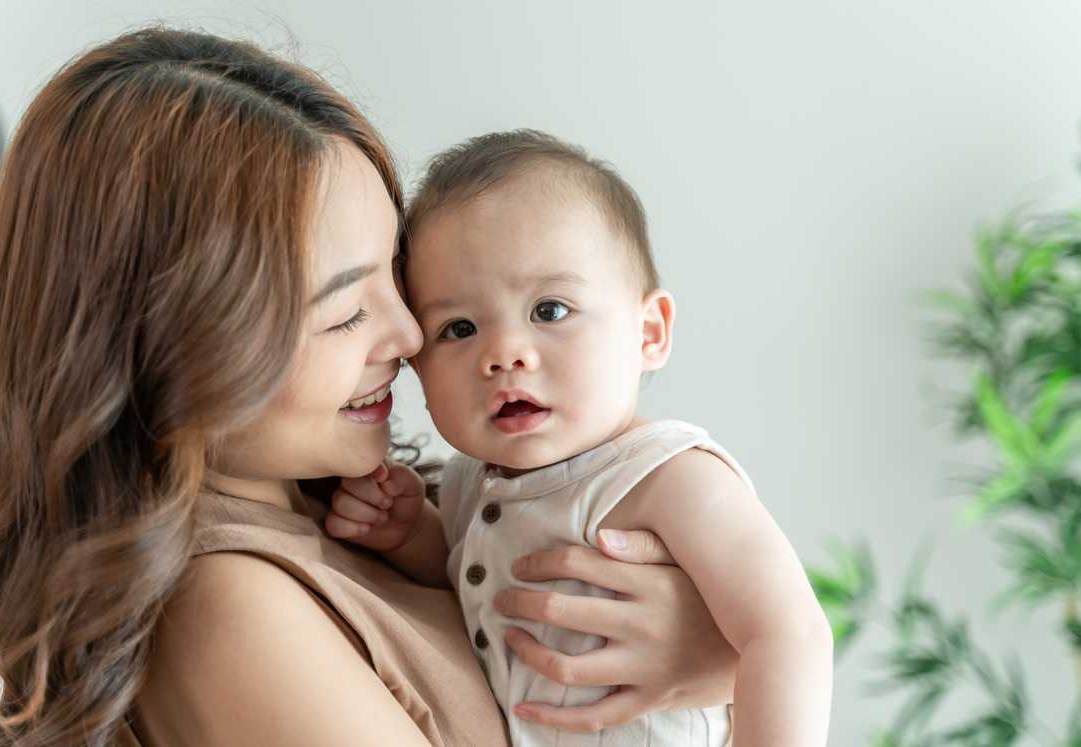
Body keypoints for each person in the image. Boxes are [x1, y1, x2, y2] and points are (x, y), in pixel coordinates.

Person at [0, 27, 742, 747]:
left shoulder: (379, 505)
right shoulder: (233, 610)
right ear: (171, 342)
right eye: (347, 312)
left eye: (395, 272)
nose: (411, 337)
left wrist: (719, 652)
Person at [329, 130, 834, 746]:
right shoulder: (466, 482)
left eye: (549, 310)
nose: (504, 354)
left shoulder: (669, 477)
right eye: (458, 327)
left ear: (648, 332)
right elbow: (476, 583)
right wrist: (411, 537)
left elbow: (789, 632)